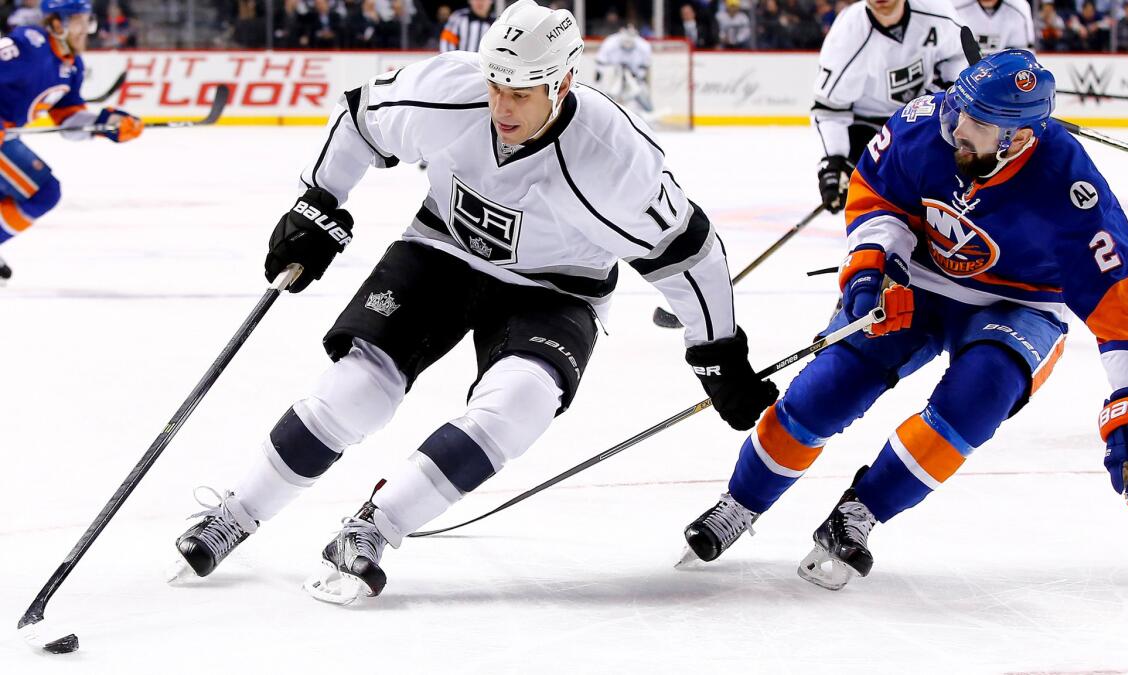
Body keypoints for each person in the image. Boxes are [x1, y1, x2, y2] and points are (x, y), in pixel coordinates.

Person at [169, 0, 777, 604]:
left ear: (563, 83)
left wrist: (717, 349)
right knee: (356, 391)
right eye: (497, 85)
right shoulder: (449, 90)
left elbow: (690, 253)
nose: (502, 106)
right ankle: (236, 513)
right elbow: (360, 118)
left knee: (519, 404)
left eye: (523, 91)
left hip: (558, 288)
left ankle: (373, 528)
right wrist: (318, 203)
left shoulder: (616, 160)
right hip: (443, 251)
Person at [680, 50, 1128, 590]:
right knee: (828, 389)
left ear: (1018, 138)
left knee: (979, 397)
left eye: (979, 126)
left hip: (1022, 303)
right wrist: (876, 265)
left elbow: (1120, 293)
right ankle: (741, 500)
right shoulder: (927, 124)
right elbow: (875, 193)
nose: (958, 130)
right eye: (959, 113)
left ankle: (862, 513)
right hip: (919, 279)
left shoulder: (1070, 187)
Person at [0, 0, 142, 283]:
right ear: (56, 24)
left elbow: (68, 120)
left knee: (41, 193)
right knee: (43, 192)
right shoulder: (30, 44)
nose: (84, 29)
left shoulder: (72, 65)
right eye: (77, 21)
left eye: (86, 21)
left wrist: (107, 124)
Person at [812, 0, 967, 214]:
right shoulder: (847, 34)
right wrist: (835, 161)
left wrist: (944, 92)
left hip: (920, 115)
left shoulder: (936, 12)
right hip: (867, 128)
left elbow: (957, 56)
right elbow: (830, 109)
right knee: (880, 212)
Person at [593, 26, 655, 117]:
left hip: (634, 76)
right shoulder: (610, 43)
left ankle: (648, 112)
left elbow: (645, 68)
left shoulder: (644, 46)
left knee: (640, 93)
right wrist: (599, 82)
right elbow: (600, 65)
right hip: (614, 75)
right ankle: (604, 112)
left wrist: (637, 77)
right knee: (609, 95)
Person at [955, 0, 1035, 54]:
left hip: (1002, 72)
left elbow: (1022, 54)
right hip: (961, 71)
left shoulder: (1019, 7)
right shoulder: (954, 6)